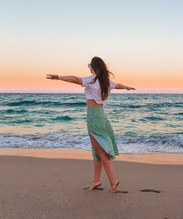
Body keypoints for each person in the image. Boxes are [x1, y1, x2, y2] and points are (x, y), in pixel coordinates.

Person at [46, 56, 136, 193]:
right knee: (96, 150)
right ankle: (96, 180)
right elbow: (118, 86)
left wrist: (58, 77)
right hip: (101, 115)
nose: (89, 68)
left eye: (89, 66)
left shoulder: (91, 80)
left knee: (100, 151)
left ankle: (113, 180)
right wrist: (127, 87)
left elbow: (76, 79)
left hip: (94, 116)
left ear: (93, 67)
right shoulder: (106, 82)